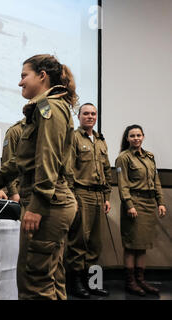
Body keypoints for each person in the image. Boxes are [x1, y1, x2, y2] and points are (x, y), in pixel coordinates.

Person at [0, 54, 78, 299]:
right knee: (50, 281)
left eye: (24, 76)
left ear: (42, 76)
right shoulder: (43, 107)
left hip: (48, 204)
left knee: (35, 285)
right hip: (50, 203)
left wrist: (38, 206)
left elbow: (48, 159)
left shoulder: (48, 107)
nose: (20, 82)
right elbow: (18, 164)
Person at [65, 103, 111, 299]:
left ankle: (92, 282)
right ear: (79, 116)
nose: (90, 117)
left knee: (96, 243)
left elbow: (107, 170)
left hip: (99, 196)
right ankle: (75, 284)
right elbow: (68, 170)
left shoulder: (100, 140)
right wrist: (72, 197)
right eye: (86, 114)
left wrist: (107, 197)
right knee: (79, 241)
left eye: (93, 114)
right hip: (81, 194)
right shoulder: (74, 138)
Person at [115, 124, 166, 296]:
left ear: (143, 136)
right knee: (131, 245)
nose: (136, 138)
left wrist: (161, 202)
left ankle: (141, 280)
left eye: (138, 135)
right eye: (132, 135)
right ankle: (130, 282)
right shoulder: (123, 158)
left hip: (149, 203)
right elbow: (122, 185)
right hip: (134, 204)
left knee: (142, 245)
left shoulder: (150, 157)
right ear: (127, 138)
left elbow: (156, 181)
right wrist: (129, 205)